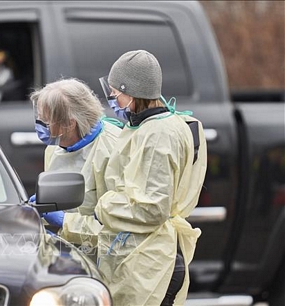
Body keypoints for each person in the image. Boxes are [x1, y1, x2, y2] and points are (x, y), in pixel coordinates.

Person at [94, 50, 207, 305]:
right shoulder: (151, 126)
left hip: (152, 261)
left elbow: (153, 208)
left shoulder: (158, 134)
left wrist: (103, 209)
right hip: (145, 255)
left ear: (131, 91)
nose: (112, 98)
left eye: (115, 92)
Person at [29, 78, 122, 260]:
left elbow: (117, 230)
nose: (40, 126)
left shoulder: (114, 151)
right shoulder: (55, 147)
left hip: (111, 260)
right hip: (71, 255)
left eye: (45, 122)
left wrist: (66, 222)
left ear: (70, 124)